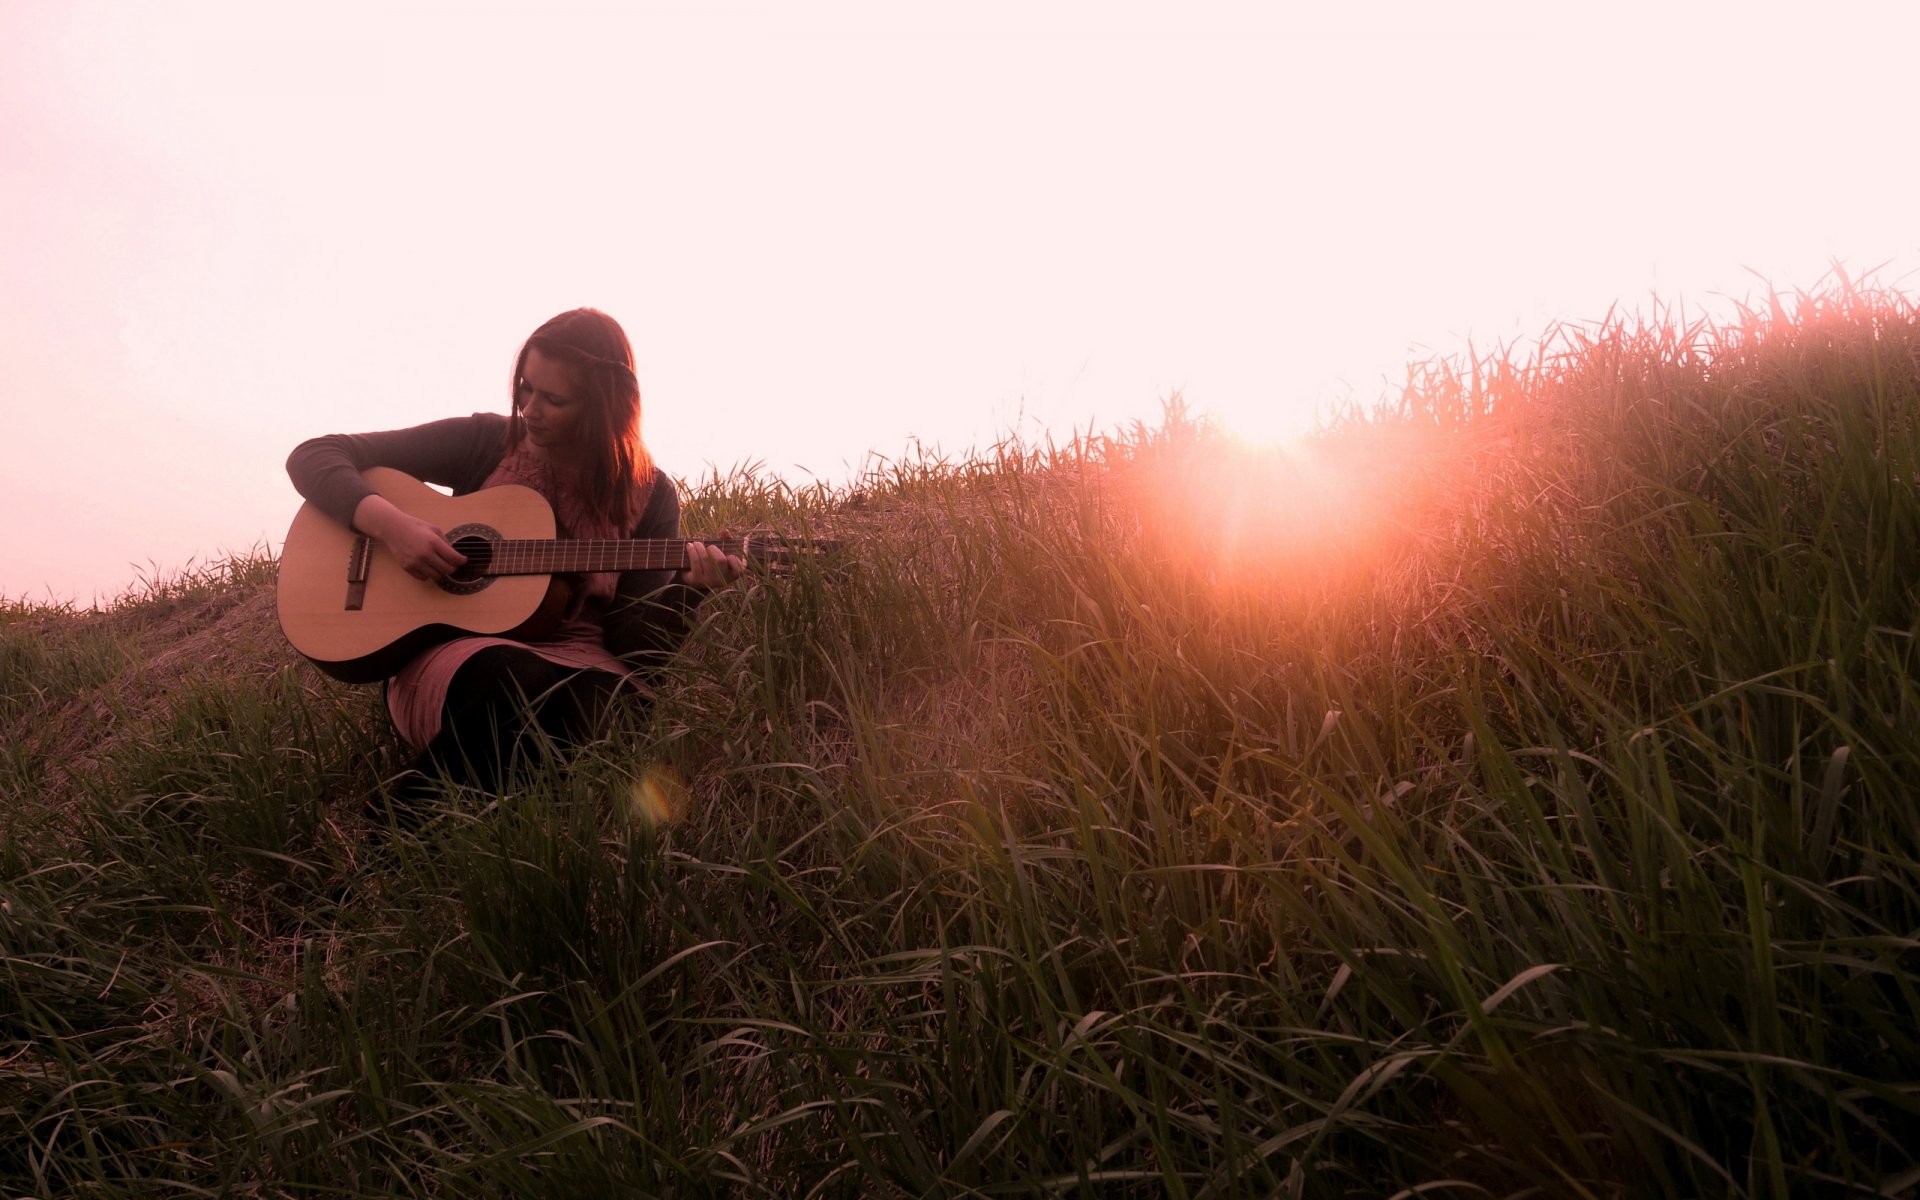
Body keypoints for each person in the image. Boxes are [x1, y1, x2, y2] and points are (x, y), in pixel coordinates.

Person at [286, 307, 744, 800]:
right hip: (463, 650)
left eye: (553, 399)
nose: (530, 409)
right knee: (516, 679)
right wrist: (394, 527)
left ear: (602, 405)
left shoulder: (649, 494)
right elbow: (315, 455)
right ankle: (393, 833)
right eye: (525, 388)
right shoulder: (486, 441)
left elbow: (635, 650)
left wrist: (688, 593)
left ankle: (460, 810)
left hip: (584, 659)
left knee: (611, 718)